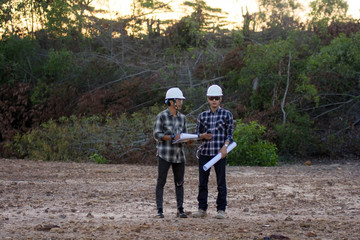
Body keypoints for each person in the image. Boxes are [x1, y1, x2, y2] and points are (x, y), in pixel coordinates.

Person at [193, 84, 234, 219]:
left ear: (220, 99)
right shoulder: (202, 116)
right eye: (211, 98)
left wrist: (225, 147)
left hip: (219, 154)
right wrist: (203, 136)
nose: (214, 101)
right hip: (205, 153)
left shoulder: (227, 114)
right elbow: (197, 135)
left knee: (221, 183)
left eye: (216, 98)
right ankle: (202, 208)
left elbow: (230, 135)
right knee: (202, 183)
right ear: (208, 99)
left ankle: (221, 209)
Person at [153, 87, 189, 218]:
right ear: (171, 102)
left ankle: (180, 209)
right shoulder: (161, 116)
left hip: (179, 155)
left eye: (181, 100)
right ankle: (160, 210)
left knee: (180, 182)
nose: (180, 102)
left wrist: (189, 139)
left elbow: (183, 135)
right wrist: (173, 137)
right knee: (161, 182)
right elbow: (157, 135)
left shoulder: (183, 118)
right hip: (165, 154)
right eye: (178, 100)